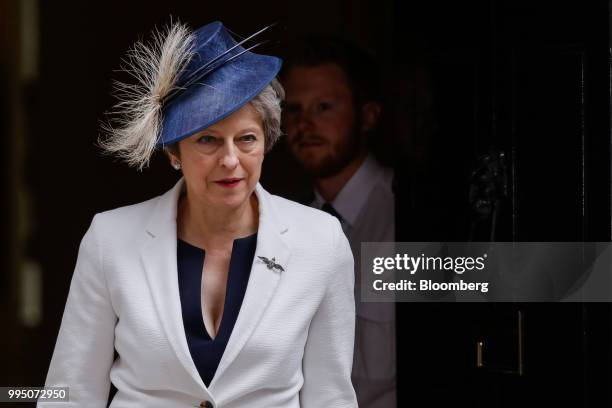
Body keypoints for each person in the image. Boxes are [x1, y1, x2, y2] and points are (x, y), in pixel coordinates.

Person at [40, 21, 357, 408]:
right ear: (174, 152)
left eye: (246, 139)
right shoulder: (109, 239)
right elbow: (70, 394)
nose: (230, 160)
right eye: (207, 139)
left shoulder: (321, 241)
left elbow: (331, 397)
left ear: (266, 142)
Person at [280, 36, 397, 408]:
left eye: (324, 107)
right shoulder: (282, 225)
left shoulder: (406, 214)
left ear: (368, 115)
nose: (304, 124)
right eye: (293, 109)